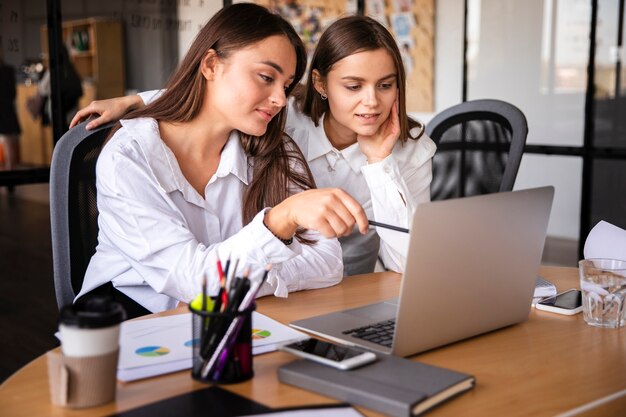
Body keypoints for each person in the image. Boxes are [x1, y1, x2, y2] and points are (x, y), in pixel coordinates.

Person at [71, 15, 435, 276]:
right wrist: (139, 101)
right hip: (155, 309)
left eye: (385, 85)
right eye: (353, 87)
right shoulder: (283, 124)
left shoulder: (273, 137)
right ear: (321, 85)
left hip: (333, 290)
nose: (371, 102)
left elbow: (364, 263)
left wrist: (380, 163)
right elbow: (211, 97)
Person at [74, 3, 368, 318]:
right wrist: (278, 223)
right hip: (132, 319)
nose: (281, 99)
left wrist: (228, 286)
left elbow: (327, 263)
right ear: (211, 65)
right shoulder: (128, 157)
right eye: (266, 77)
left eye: (286, 86)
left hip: (234, 318)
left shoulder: (273, 147)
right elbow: (192, 281)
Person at [0, 49, 21, 168]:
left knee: (8, 144)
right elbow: (13, 94)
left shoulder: (8, 70)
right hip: (7, 110)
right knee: (9, 144)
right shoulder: (9, 70)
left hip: (5, 111)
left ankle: (9, 175)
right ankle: (10, 175)